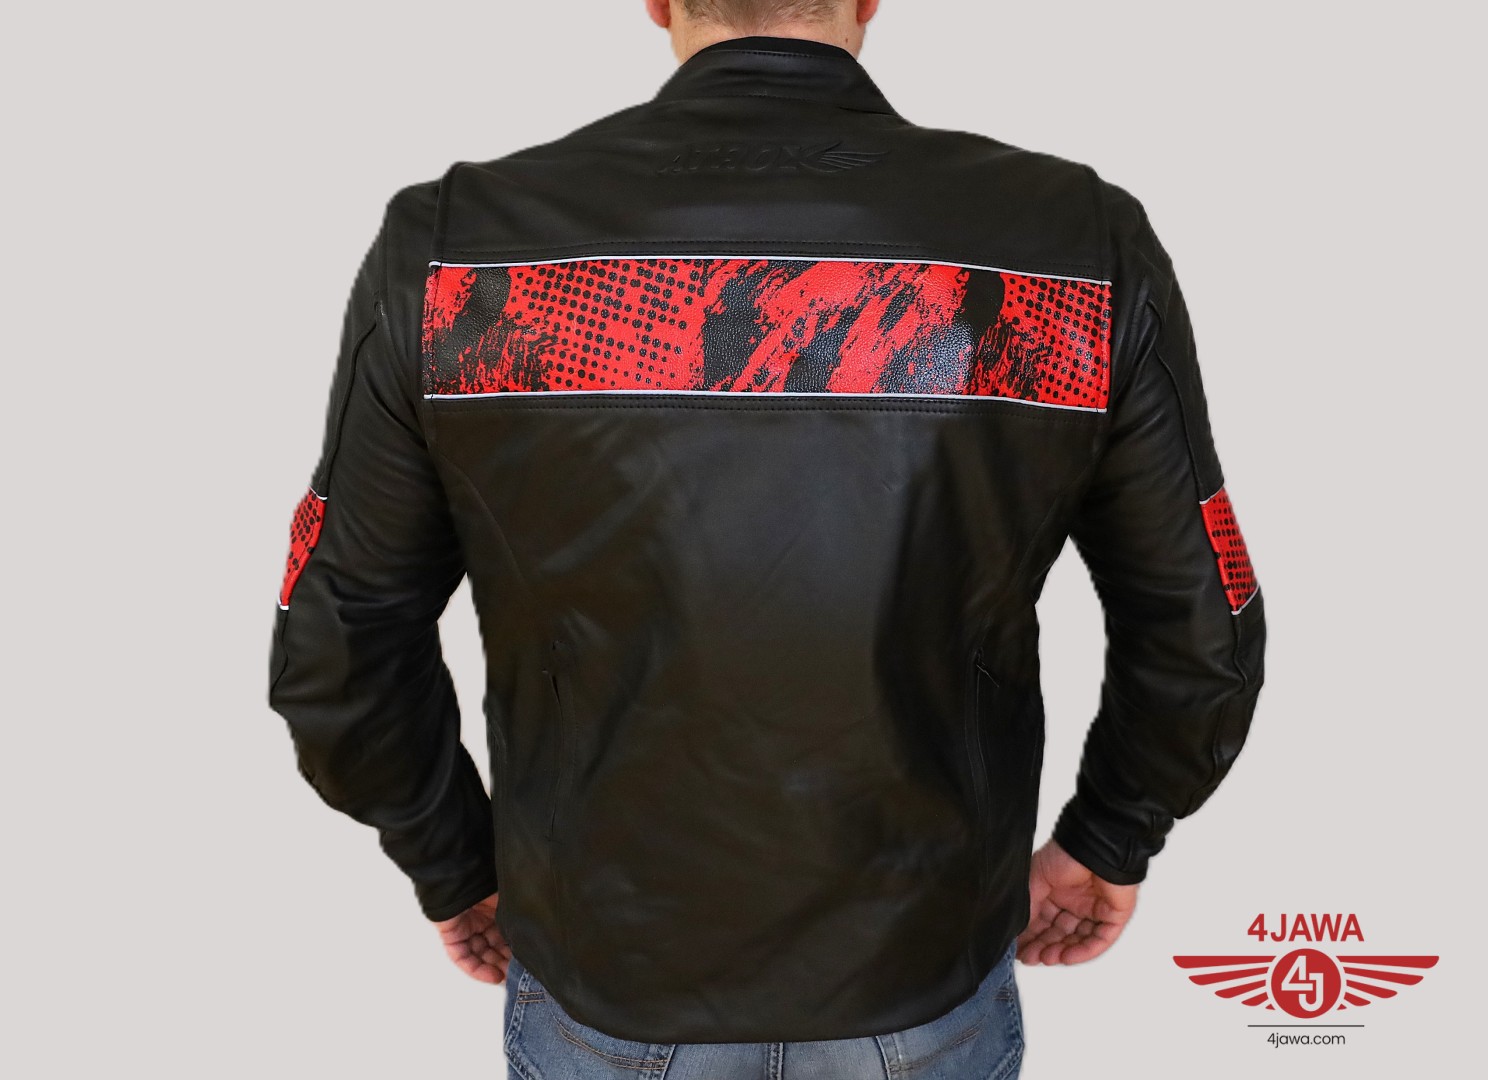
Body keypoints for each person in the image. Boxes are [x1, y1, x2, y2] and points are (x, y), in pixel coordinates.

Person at [265, 1, 1267, 1076]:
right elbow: (1201, 619)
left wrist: (456, 862)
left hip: (608, 969)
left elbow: (341, 640)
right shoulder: (1070, 241)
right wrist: (1111, 836)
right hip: (918, 969)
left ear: (658, 2)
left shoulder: (459, 249)